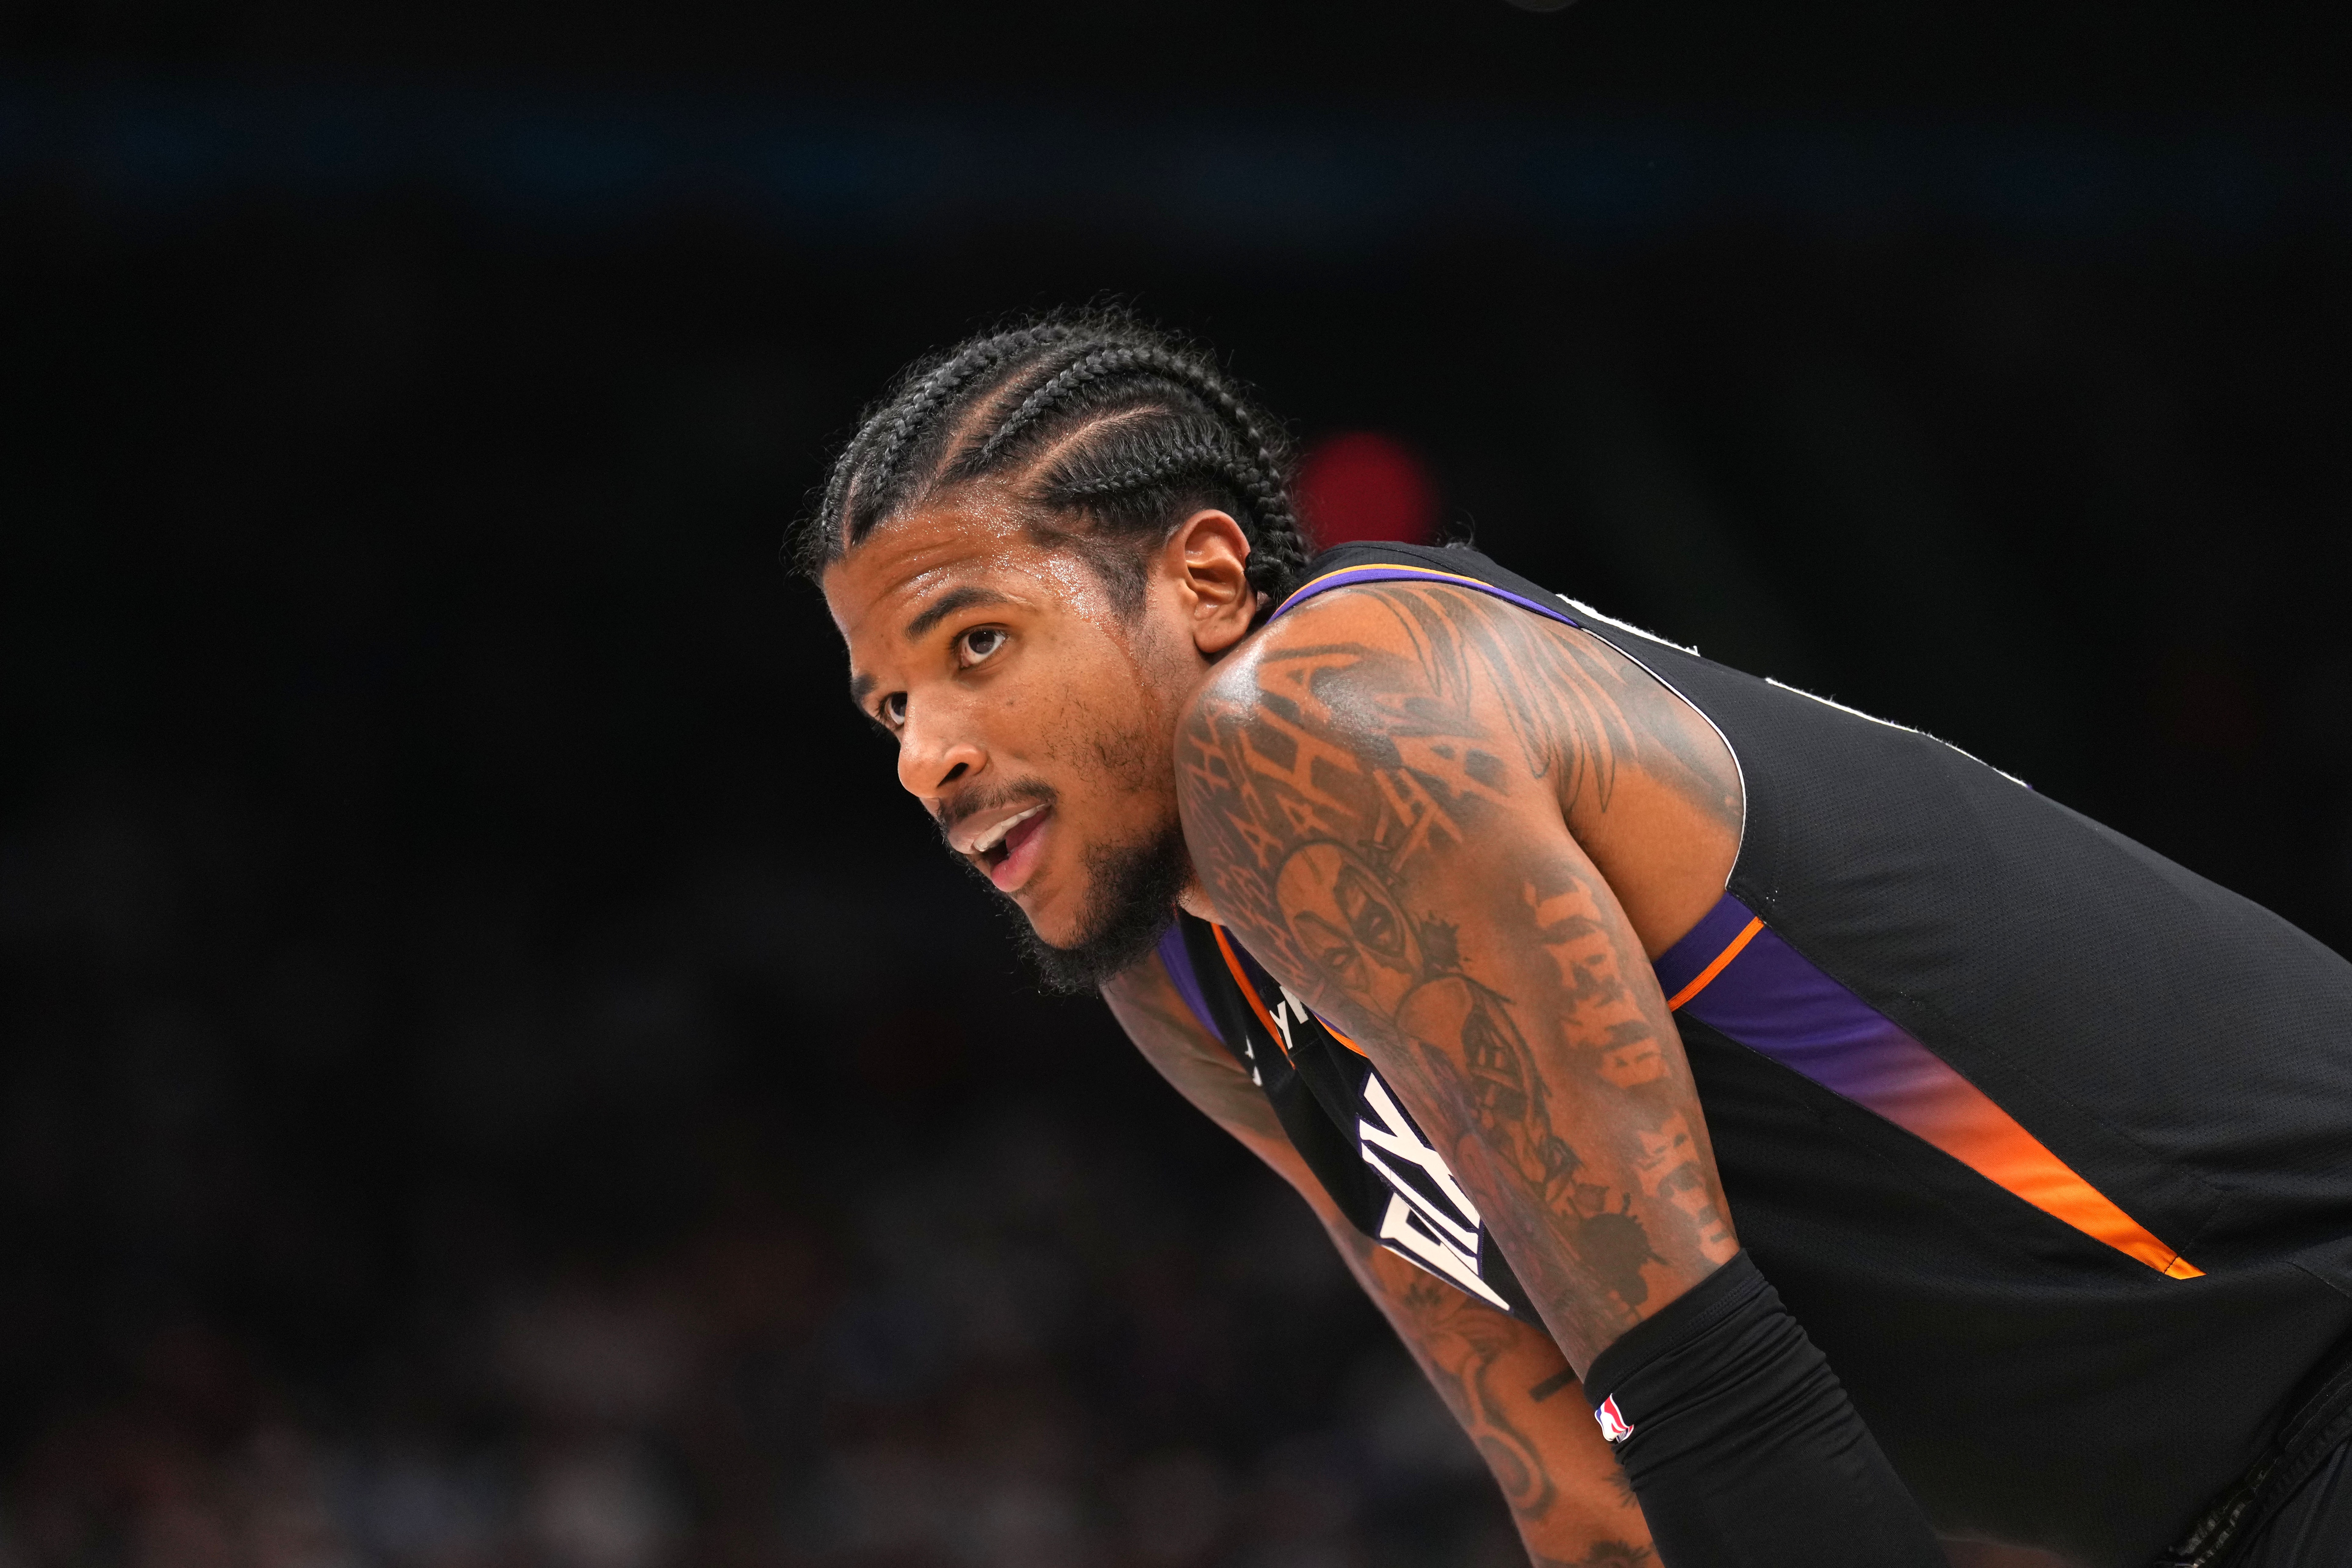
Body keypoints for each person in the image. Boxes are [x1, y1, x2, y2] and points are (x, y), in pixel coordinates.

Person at [797, 310, 2352, 1568]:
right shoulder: (1185, 973)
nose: (923, 757)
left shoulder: (1316, 723)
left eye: (977, 644)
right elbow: (1596, 1500)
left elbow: (1708, 1386)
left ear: (1204, 578)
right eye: (889, 706)